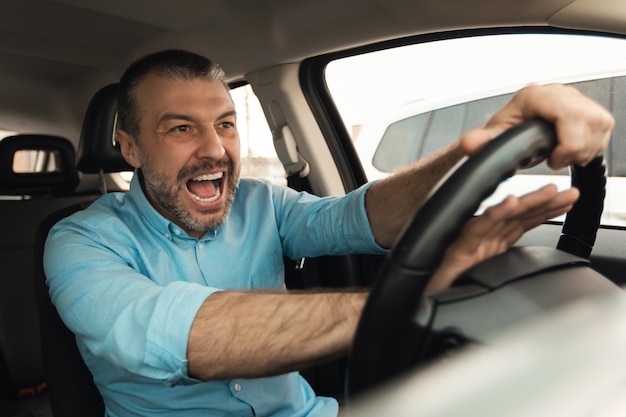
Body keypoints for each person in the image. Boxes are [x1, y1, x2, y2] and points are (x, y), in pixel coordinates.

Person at [43, 49, 613, 417]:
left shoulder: (262, 203)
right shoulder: (78, 241)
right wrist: (418, 296)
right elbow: (178, 337)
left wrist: (483, 145)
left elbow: (358, 218)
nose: (214, 149)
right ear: (131, 147)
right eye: (181, 129)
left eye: (224, 125)